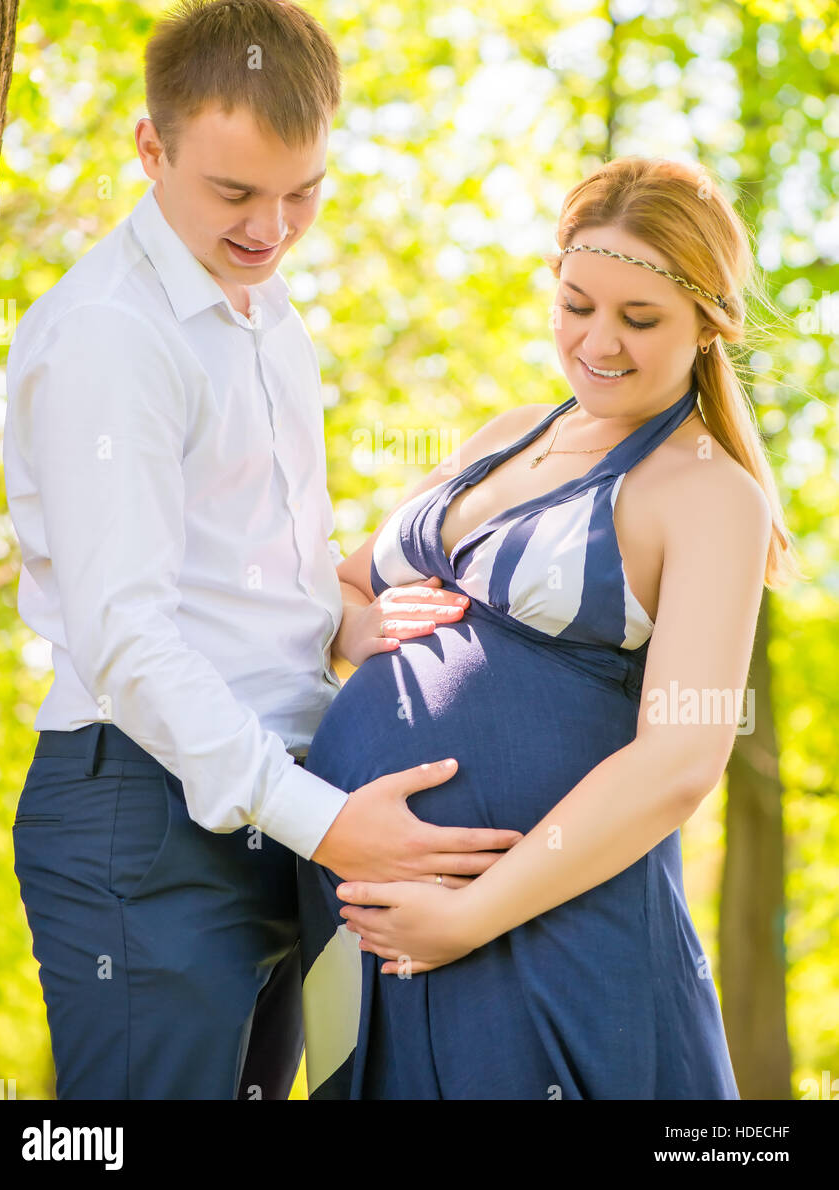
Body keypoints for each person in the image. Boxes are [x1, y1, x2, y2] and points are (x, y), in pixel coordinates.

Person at [3, 0, 520, 1100]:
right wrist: (330, 828)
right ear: (151, 146)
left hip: (277, 802)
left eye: (303, 194)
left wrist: (351, 620)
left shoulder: (270, 321)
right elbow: (127, 637)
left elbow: (245, 569)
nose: (270, 229)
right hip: (144, 811)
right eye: (234, 191)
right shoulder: (113, 337)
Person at [297, 155, 801, 1099]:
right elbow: (340, 589)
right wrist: (355, 630)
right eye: (576, 305)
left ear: (707, 324)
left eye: (638, 319)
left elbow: (679, 763)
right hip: (363, 920)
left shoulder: (707, 494)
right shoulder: (505, 435)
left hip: (539, 932)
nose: (598, 341)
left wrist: (468, 916)